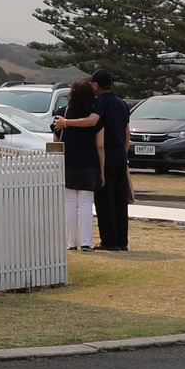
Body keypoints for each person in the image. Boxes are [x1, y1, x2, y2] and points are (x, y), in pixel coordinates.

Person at [55, 78, 104, 252]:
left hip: (68, 163)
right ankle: (85, 242)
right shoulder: (94, 116)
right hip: (89, 163)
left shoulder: (62, 113)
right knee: (85, 203)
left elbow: (55, 141)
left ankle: (70, 242)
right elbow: (100, 145)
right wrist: (102, 170)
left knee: (69, 203)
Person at [92, 69, 132, 251]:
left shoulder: (100, 103)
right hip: (120, 156)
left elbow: (94, 123)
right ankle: (122, 241)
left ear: (95, 85)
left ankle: (109, 241)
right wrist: (123, 152)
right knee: (120, 200)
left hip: (106, 156)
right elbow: (127, 133)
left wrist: (67, 123)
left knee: (104, 200)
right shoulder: (122, 104)